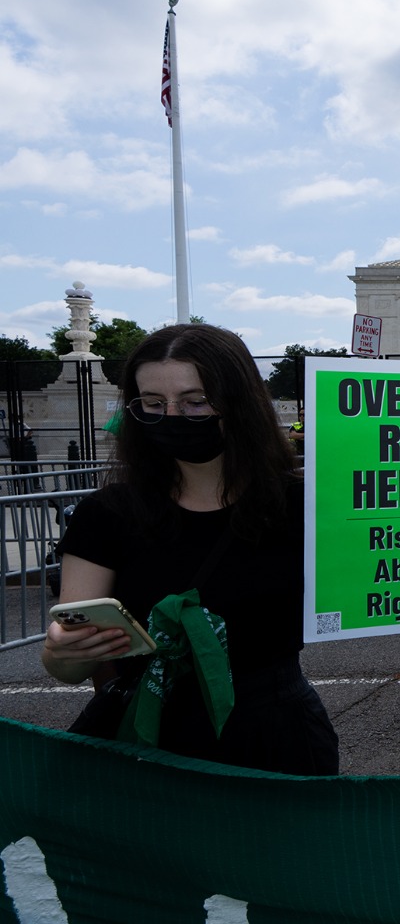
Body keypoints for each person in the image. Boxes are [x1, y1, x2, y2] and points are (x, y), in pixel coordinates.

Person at [40, 323, 341, 774]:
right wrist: (62, 653)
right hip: (148, 743)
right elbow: (69, 662)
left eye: (196, 402)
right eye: (154, 404)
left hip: (277, 740)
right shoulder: (106, 515)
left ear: (240, 403)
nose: (174, 417)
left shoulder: (307, 506)